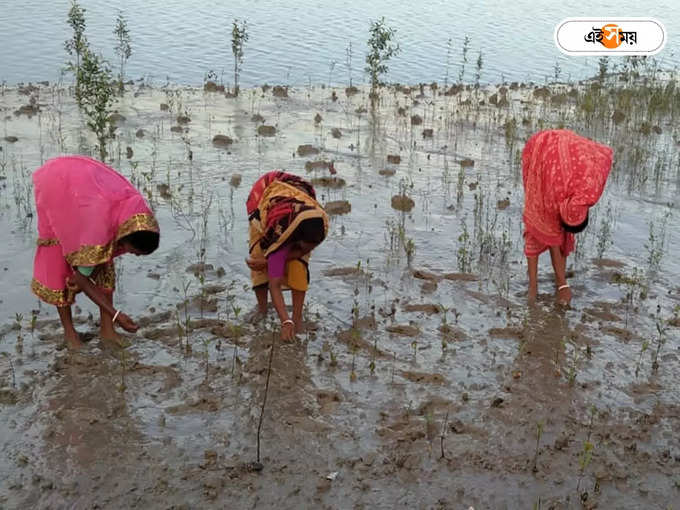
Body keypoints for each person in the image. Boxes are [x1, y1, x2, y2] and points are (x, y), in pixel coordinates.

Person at [30, 155, 160, 349]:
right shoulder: (98, 230)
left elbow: (93, 266)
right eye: (136, 252)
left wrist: (89, 274)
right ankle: (70, 335)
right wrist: (117, 315)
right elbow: (81, 279)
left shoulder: (135, 215)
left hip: (87, 189)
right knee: (58, 262)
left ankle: (107, 331)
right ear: (127, 238)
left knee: (104, 264)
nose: (135, 255)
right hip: (57, 184)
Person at [522, 129, 613, 306]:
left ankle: (559, 282)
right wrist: (563, 285)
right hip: (540, 150)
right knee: (537, 226)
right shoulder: (550, 196)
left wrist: (562, 285)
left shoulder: (589, 192)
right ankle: (533, 289)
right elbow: (553, 235)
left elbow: (604, 155)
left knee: (553, 231)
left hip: (563, 147)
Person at [245, 171, 329, 340]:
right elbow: (274, 285)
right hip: (265, 194)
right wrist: (285, 321)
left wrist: (271, 262)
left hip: (296, 196)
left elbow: (303, 249)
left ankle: (298, 319)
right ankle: (262, 309)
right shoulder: (279, 233)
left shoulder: (319, 224)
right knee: (257, 258)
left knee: (299, 265)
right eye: (301, 246)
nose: (306, 249)